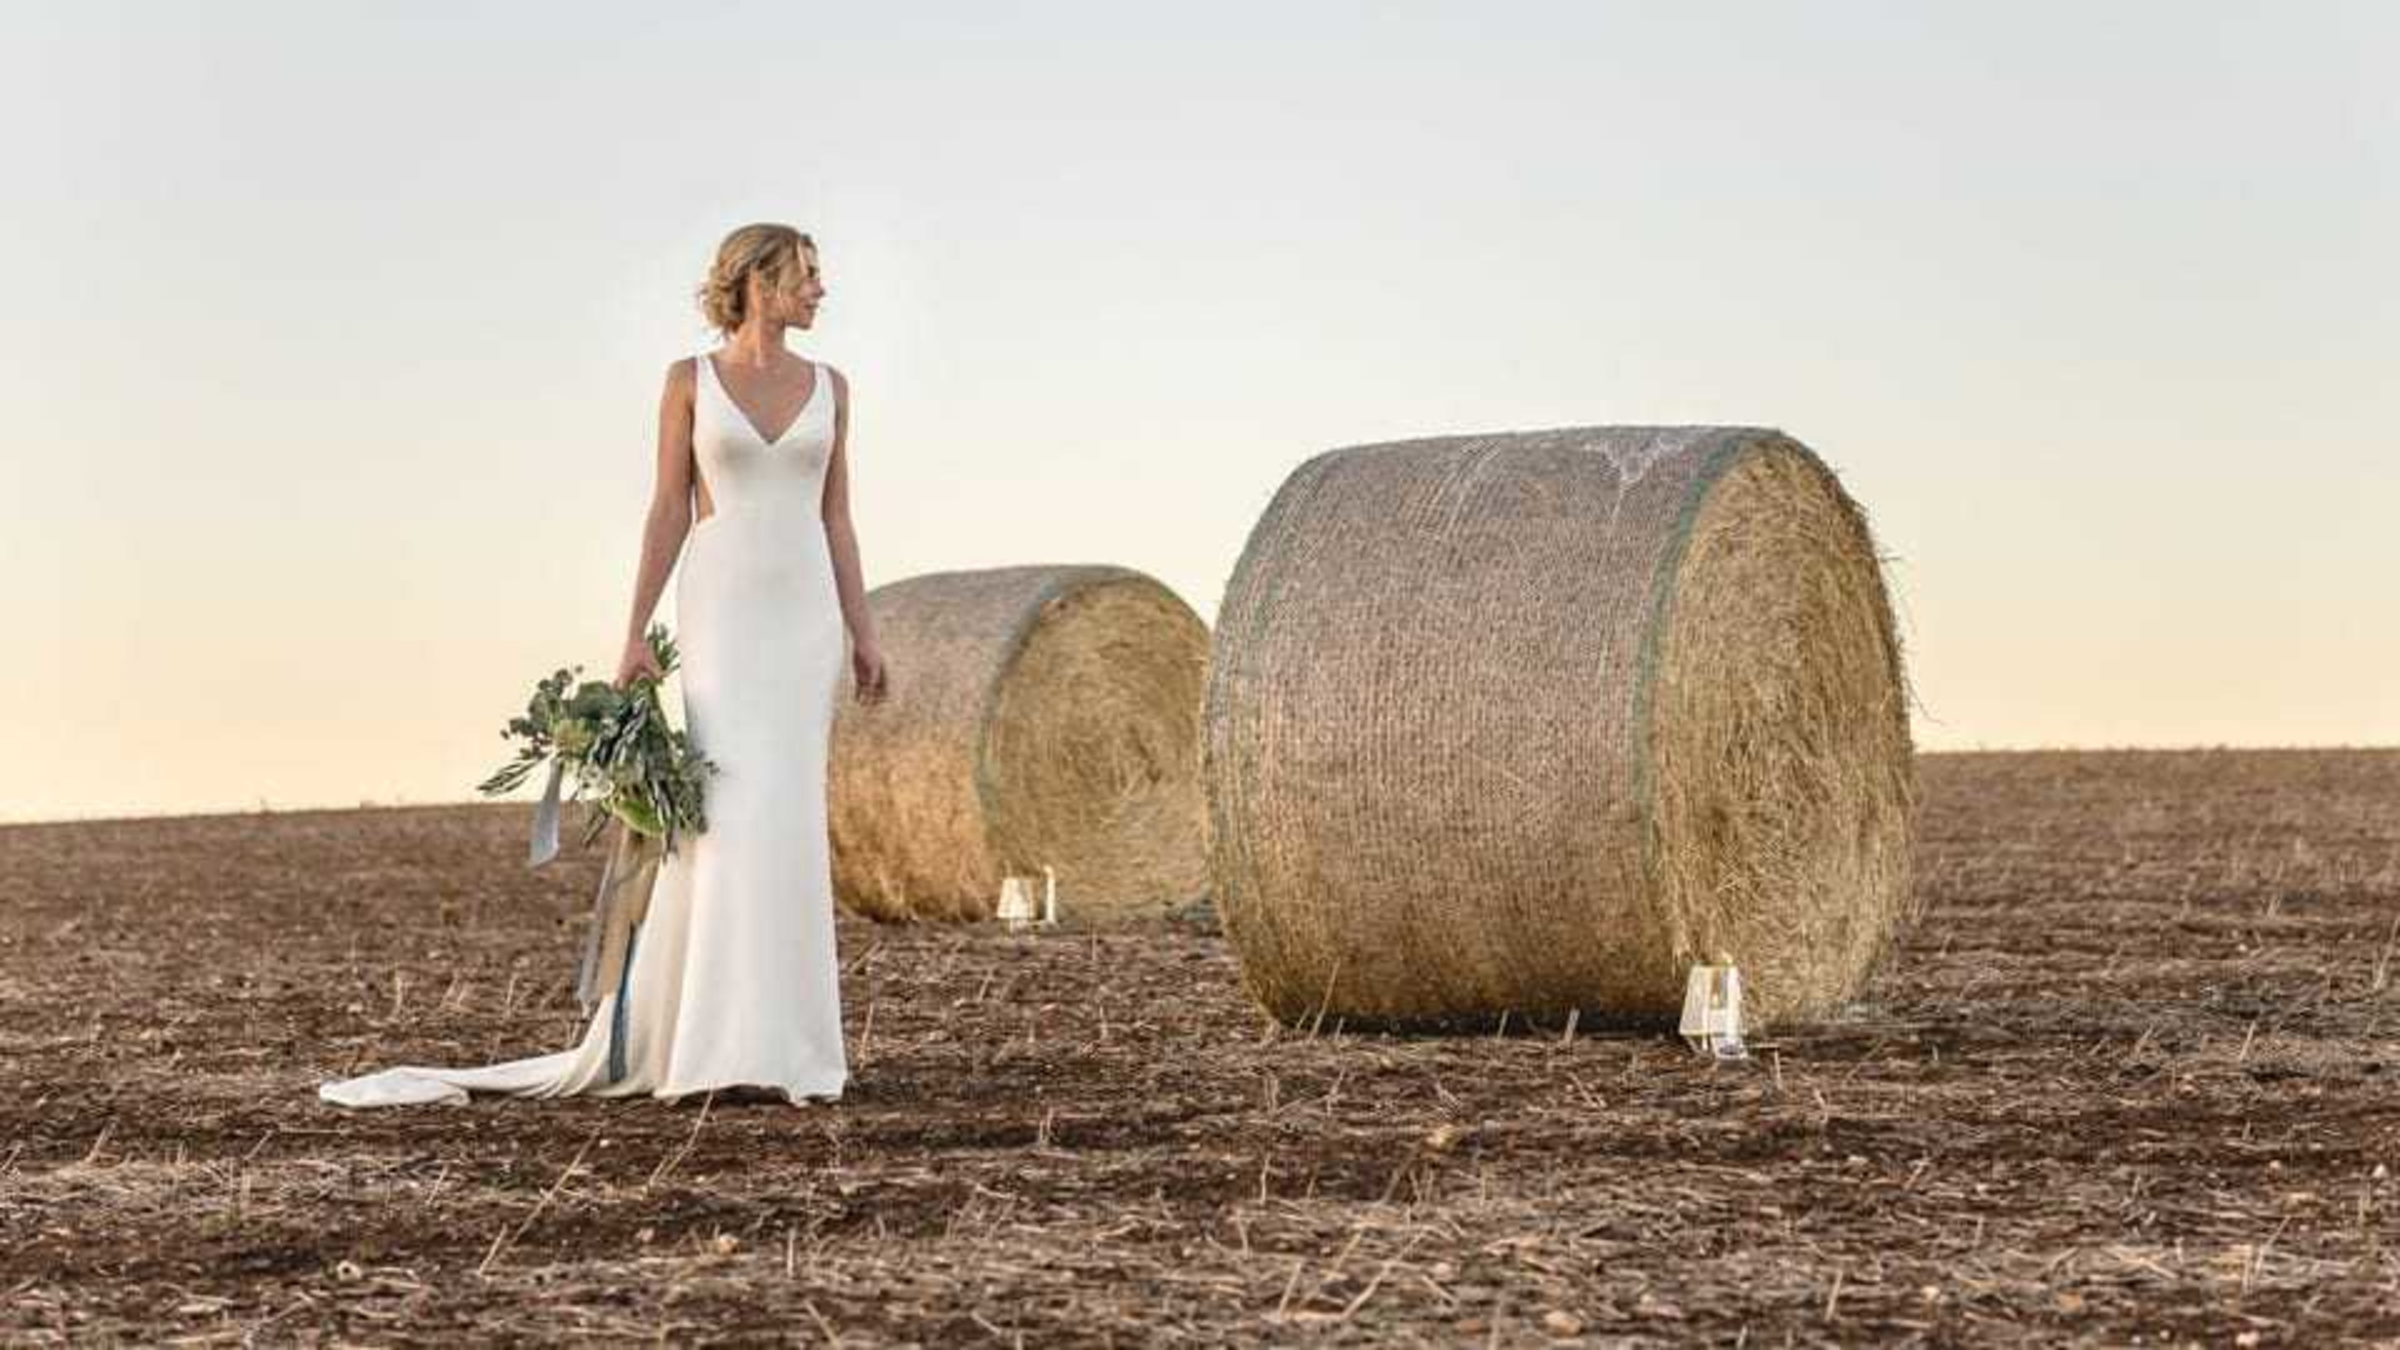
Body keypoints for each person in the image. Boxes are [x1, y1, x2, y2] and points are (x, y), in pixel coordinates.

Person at [318, 222, 890, 1109]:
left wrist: (863, 631)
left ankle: (790, 1045)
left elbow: (838, 517)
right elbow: (667, 507)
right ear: (758, 281)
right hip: (723, 610)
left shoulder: (834, 388)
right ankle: (708, 1038)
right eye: (807, 276)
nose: (823, 290)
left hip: (803, 617)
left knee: (786, 813)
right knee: (726, 809)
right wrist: (633, 632)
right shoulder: (688, 383)